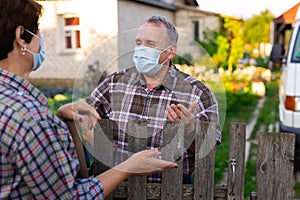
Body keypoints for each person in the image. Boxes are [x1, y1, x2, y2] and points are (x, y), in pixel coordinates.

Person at [0, 1, 177, 199]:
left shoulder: (17, 107)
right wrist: (127, 168)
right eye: (38, 32)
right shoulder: (31, 118)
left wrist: (59, 118)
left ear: (171, 51)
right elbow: (68, 196)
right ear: (20, 37)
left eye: (151, 44)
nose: (41, 40)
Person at [65, 15, 221, 184]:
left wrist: (190, 129)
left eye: (150, 44)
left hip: (172, 189)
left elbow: (208, 150)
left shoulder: (198, 93)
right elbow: (85, 115)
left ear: (170, 51)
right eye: (139, 43)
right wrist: (91, 134)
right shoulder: (115, 82)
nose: (141, 49)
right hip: (116, 188)